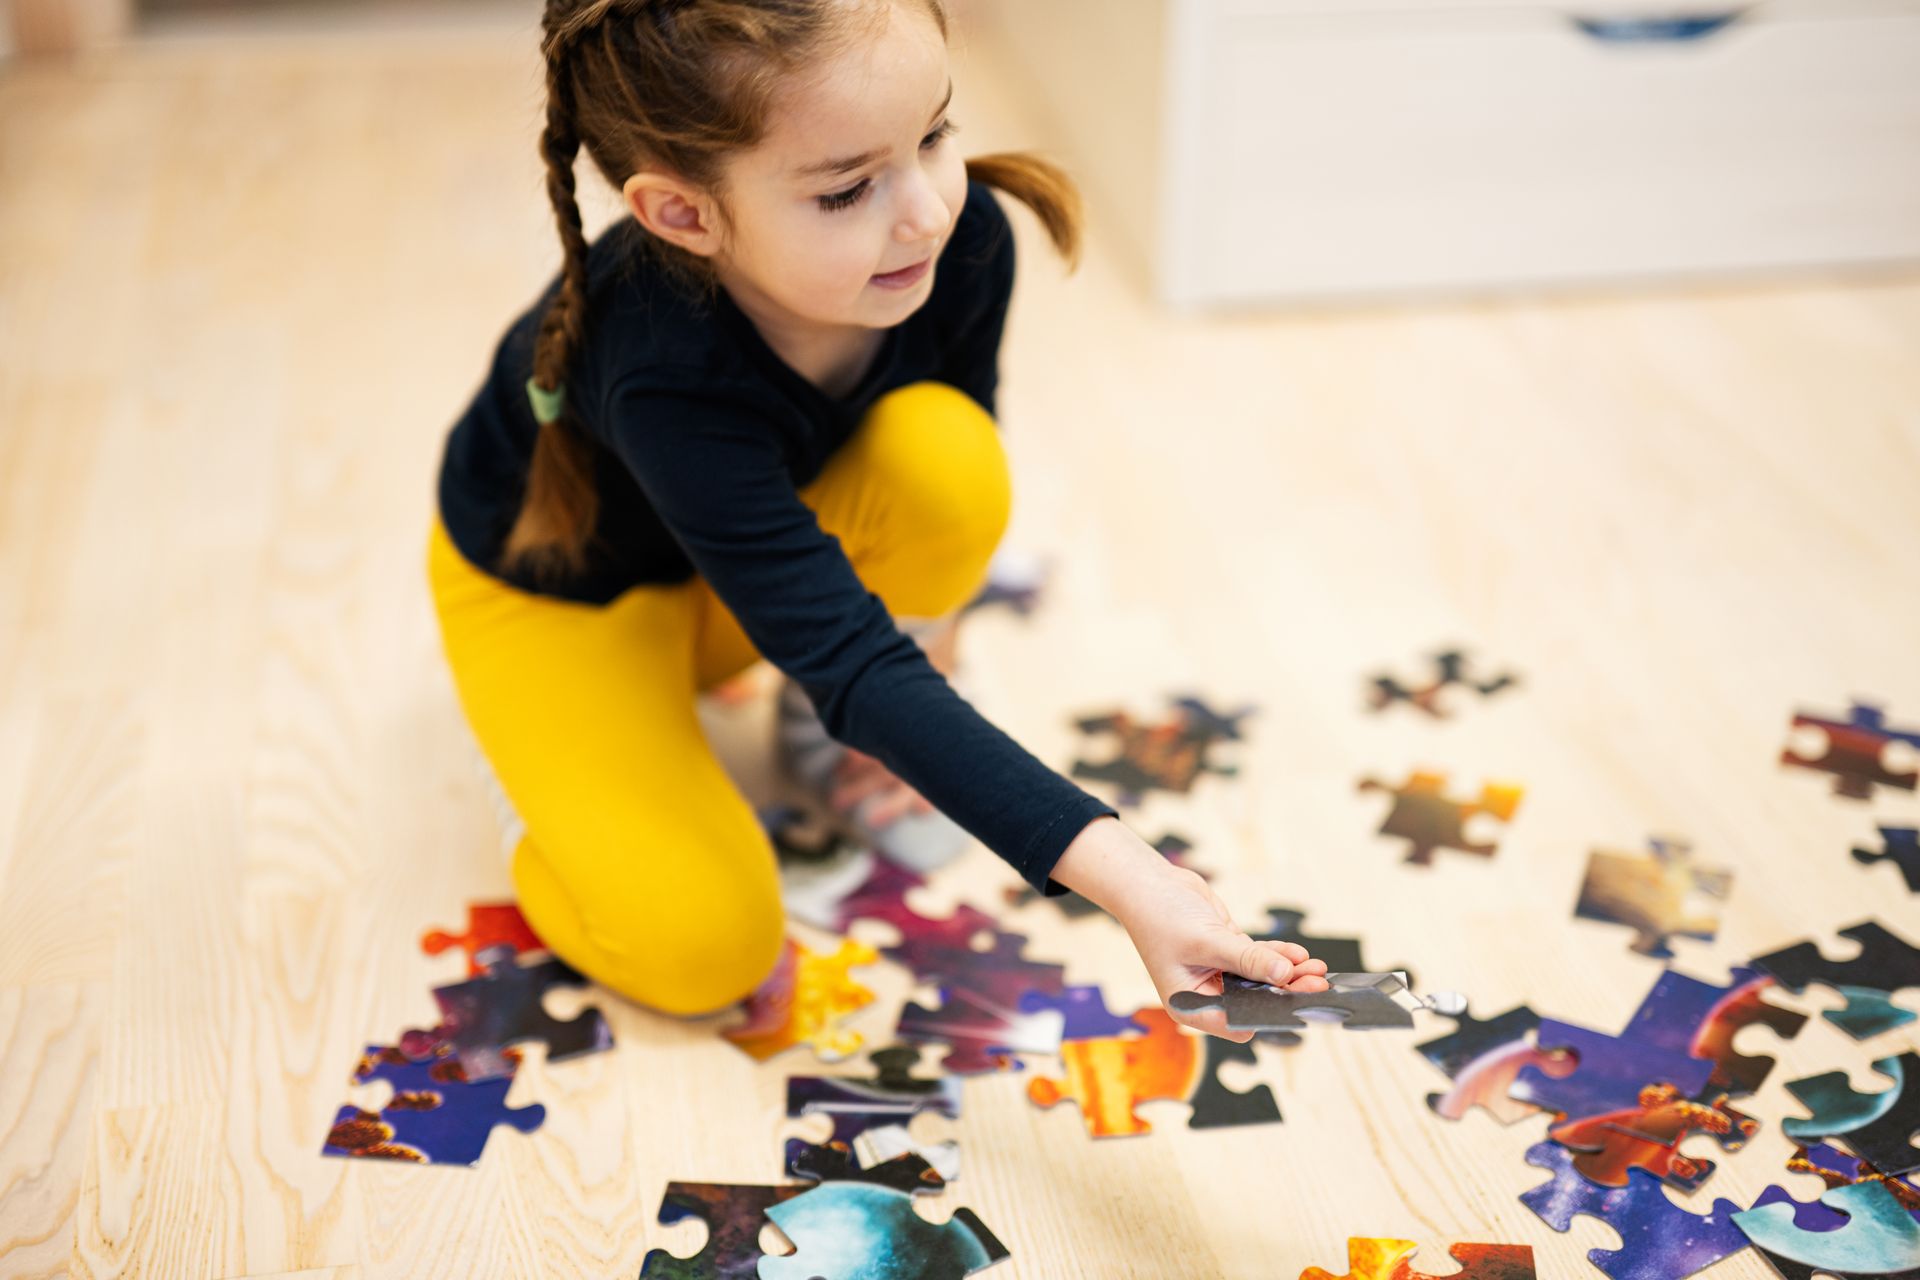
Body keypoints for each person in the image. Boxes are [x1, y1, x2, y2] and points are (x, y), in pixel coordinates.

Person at [425, 0, 1328, 1041]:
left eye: (936, 134)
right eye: (848, 187)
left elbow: (939, 509)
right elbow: (849, 655)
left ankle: (819, 741)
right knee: (700, 947)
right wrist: (1135, 880)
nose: (928, 212)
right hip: (563, 598)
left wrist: (921, 665)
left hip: (745, 582)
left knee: (949, 460)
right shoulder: (657, 363)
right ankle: (541, 785)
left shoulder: (962, 242)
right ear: (684, 215)